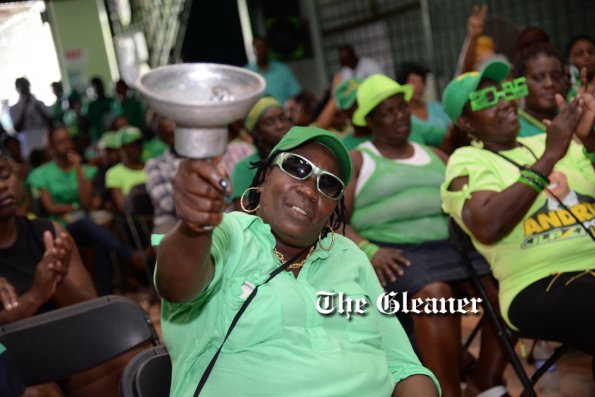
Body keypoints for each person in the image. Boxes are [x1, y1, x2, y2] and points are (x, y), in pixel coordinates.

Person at [154, 125, 440, 397]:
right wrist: (195, 226)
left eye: (328, 184)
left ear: (334, 208)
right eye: (297, 167)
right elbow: (176, 285)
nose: (309, 189)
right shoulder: (228, 233)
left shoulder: (348, 255)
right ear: (265, 176)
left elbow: (406, 368)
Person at [344, 74, 508, 397]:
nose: (399, 117)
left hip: (452, 247)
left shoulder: (435, 153)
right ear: (371, 121)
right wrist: (370, 249)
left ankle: (485, 381)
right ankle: (447, 391)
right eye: (388, 112)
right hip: (395, 254)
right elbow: (335, 221)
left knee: (509, 286)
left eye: (402, 108)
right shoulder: (359, 159)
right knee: (435, 296)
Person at [441, 61, 595, 358]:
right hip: (538, 281)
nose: (504, 103)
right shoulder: (468, 160)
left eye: (504, 93)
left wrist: (590, 139)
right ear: (468, 124)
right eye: (488, 100)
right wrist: (550, 156)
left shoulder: (548, 138)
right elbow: (487, 226)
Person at [0, 151, 97, 396]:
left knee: (127, 361)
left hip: (65, 349)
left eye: (5, 175)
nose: (2, 186)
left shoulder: (49, 232)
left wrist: (59, 277)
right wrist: (36, 295)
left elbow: (93, 311)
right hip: (14, 368)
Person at [27, 127, 143, 295]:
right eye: (61, 142)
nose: (66, 145)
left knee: (97, 237)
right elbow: (50, 207)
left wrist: (79, 169)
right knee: (86, 224)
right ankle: (130, 255)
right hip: (60, 226)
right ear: (51, 147)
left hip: (86, 222)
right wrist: (74, 208)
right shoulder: (41, 174)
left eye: (68, 140)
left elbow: (86, 203)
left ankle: (104, 293)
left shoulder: (85, 169)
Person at [231, 96, 292, 209]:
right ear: (256, 132)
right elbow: (243, 210)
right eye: (269, 122)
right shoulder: (245, 168)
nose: (280, 125)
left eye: (282, 118)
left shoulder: (300, 158)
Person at [514, 43, 565, 137]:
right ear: (521, 84)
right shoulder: (513, 129)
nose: (550, 83)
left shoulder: (577, 120)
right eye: (538, 78)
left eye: (556, 77)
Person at [398, 63, 451, 147]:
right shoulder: (400, 116)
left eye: (421, 81)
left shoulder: (437, 108)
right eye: (413, 82)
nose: (418, 86)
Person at [145, 117, 183, 234]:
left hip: (206, 217)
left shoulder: (202, 159)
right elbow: (166, 203)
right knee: (165, 241)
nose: (178, 137)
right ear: (162, 139)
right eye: (171, 134)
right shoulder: (155, 164)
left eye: (180, 131)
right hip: (170, 221)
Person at [245, 36, 302, 105]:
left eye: (262, 46)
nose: (260, 50)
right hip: (258, 115)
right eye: (257, 47)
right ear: (254, 50)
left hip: (283, 113)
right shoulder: (248, 73)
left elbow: (297, 94)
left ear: (268, 48)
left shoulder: (282, 69)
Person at [106, 127, 147, 213]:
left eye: (138, 143)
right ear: (123, 148)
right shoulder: (113, 173)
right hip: (137, 220)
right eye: (132, 145)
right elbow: (122, 206)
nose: (137, 147)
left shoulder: (152, 167)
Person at [9, 78, 52, 156]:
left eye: (26, 86)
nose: (25, 89)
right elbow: (17, 128)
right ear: (17, 89)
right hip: (29, 146)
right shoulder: (14, 108)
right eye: (22, 87)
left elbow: (51, 121)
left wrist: (37, 107)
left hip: (45, 142)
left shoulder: (40, 103)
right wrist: (25, 108)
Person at [82, 77, 121, 143]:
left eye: (99, 86)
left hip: (114, 136)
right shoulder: (90, 106)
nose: (98, 88)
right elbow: (86, 123)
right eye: (95, 86)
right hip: (98, 138)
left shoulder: (112, 101)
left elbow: (118, 117)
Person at [565, 35, 595, 100]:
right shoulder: (569, 87)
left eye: (591, 52)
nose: (587, 57)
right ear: (569, 60)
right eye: (580, 54)